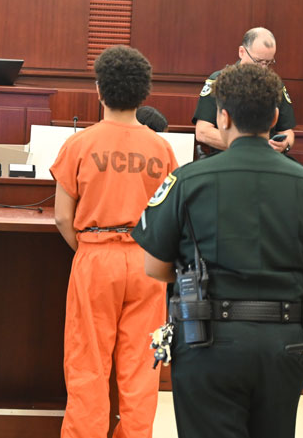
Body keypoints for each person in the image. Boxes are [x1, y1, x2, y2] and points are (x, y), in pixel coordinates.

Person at [133, 63, 303, 438]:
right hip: (287, 342)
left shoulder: (187, 180)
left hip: (208, 339)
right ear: (276, 117)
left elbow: (154, 266)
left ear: (223, 116)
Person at [50, 45, 179, 438]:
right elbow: (172, 218)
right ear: (144, 94)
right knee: (142, 368)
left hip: (96, 257)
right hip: (147, 265)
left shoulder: (79, 144)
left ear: (99, 91)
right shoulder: (163, 149)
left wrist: (89, 249)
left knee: (87, 363)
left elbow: (60, 216)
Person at [193, 27, 295, 154]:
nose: (263, 68)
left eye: (268, 62)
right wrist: (248, 147)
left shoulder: (275, 85)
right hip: (227, 159)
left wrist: (285, 144)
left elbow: (287, 131)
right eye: (258, 61)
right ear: (242, 52)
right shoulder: (219, 81)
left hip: (265, 161)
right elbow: (203, 132)